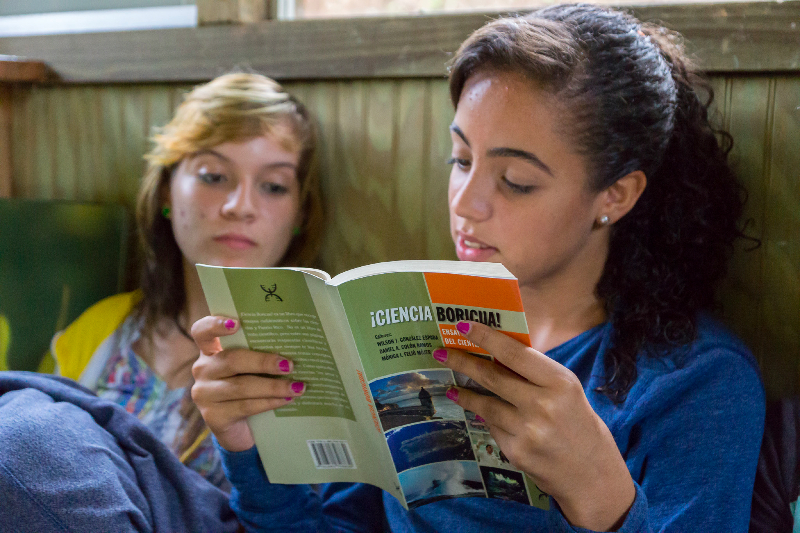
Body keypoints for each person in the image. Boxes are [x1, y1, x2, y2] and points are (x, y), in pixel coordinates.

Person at [191, 5, 764, 531]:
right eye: (460, 159)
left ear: (614, 195)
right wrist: (246, 447)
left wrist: (603, 496)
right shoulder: (408, 332)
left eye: (516, 182)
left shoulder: (697, 381)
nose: (466, 203)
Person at [0, 72, 323, 531]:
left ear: (299, 214)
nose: (239, 205)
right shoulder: (102, 331)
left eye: (273, 186)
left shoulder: (315, 354)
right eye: (214, 176)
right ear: (169, 192)